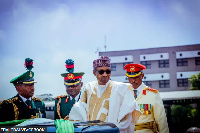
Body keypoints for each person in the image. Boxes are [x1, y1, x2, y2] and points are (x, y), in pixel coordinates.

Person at [69, 56, 141, 133]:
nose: (105, 74)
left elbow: (127, 114)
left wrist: (114, 129)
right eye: (101, 72)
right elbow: (79, 110)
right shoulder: (89, 88)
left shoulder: (121, 88)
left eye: (108, 71)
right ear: (94, 73)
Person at [124, 63, 169, 133]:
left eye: (136, 77)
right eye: (130, 78)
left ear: (142, 76)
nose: (133, 81)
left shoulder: (153, 95)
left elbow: (161, 120)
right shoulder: (123, 94)